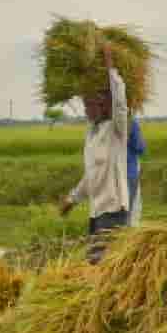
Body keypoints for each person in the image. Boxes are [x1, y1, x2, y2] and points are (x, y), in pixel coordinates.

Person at [59, 45, 130, 262]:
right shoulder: (92, 134)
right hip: (97, 212)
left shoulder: (116, 130)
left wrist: (110, 68)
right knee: (94, 264)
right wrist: (72, 199)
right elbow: (91, 176)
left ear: (101, 104)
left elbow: (119, 104)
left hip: (114, 210)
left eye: (89, 104)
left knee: (101, 265)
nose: (85, 110)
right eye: (84, 104)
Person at [127, 117, 146, 227]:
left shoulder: (103, 123)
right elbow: (140, 147)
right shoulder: (130, 122)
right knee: (131, 209)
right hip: (129, 172)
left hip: (111, 174)